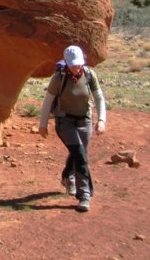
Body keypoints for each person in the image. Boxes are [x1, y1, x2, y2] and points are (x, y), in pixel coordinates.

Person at [38, 45, 106, 212]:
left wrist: (102, 119)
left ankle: (68, 176)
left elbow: (98, 97)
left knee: (79, 153)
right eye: (73, 64)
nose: (77, 67)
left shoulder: (89, 74)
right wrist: (43, 124)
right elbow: (48, 100)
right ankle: (84, 195)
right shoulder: (59, 77)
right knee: (80, 155)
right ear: (67, 63)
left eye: (79, 64)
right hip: (65, 122)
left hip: (85, 121)